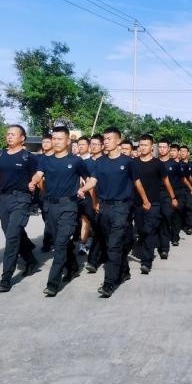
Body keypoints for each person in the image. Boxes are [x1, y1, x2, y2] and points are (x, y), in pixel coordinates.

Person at [78, 127, 150, 297]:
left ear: (118, 141)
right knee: (111, 243)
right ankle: (124, 271)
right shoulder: (100, 162)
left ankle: (109, 283)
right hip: (104, 208)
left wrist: (145, 200)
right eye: (105, 139)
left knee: (113, 246)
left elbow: (137, 183)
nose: (106, 141)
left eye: (109, 139)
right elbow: (93, 180)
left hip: (122, 207)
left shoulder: (128, 162)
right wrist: (83, 189)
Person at [28, 126, 90, 296]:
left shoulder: (76, 161)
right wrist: (33, 181)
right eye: (54, 138)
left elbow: (90, 179)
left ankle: (53, 284)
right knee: (60, 242)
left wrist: (84, 189)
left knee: (60, 245)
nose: (56, 142)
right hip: (50, 207)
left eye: (59, 139)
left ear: (68, 141)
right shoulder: (45, 160)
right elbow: (38, 174)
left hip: (69, 207)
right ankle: (73, 267)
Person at [0, 125, 39, 292]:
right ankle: (30, 259)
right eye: (8, 134)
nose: (9, 137)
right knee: (12, 233)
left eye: (13, 134)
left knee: (12, 237)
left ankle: (6, 277)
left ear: (22, 138)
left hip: (22, 198)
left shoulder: (29, 157)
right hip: (4, 199)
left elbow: (38, 174)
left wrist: (34, 182)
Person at [133, 134, 178, 274]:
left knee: (149, 230)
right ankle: (144, 248)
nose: (143, 147)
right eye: (141, 144)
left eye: (145, 145)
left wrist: (173, 197)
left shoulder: (158, 164)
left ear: (151, 147)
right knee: (141, 230)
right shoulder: (133, 163)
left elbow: (166, 182)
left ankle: (147, 262)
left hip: (154, 203)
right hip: (138, 204)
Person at [85, 134, 107, 273]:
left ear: (102, 146)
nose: (92, 146)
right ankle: (95, 258)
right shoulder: (86, 162)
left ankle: (94, 260)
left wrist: (97, 201)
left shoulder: (106, 161)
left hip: (103, 200)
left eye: (95, 144)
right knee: (98, 230)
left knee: (101, 230)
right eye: (91, 144)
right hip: (88, 200)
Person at [37, 134, 54, 252]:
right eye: (43, 142)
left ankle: (48, 242)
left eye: (48, 141)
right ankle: (51, 239)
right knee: (46, 218)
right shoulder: (39, 158)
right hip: (43, 194)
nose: (45, 144)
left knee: (51, 219)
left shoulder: (58, 157)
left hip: (56, 193)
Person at [179, 145, 192, 235]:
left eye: (184, 151)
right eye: (181, 151)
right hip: (179, 189)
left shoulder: (191, 165)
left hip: (189, 189)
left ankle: (189, 226)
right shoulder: (177, 164)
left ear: (188, 153)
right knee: (180, 207)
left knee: (188, 206)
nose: (182, 153)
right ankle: (181, 225)